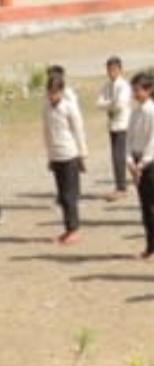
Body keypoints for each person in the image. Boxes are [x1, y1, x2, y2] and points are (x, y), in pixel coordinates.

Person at [125, 71, 154, 259]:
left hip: (151, 163)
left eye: (138, 90)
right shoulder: (135, 113)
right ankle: (150, 245)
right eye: (133, 90)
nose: (135, 94)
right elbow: (128, 139)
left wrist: (142, 163)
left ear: (148, 90)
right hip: (137, 162)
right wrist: (129, 161)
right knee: (145, 207)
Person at [41, 66, 86, 245]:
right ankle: (68, 229)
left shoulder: (68, 107)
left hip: (70, 153)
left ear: (61, 91)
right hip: (56, 155)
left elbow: (78, 130)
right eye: (49, 92)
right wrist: (50, 156)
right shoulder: (46, 107)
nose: (52, 96)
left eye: (55, 93)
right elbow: (46, 132)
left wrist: (82, 155)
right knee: (62, 195)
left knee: (70, 195)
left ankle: (74, 229)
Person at [98, 56, 131, 197]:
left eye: (114, 69)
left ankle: (122, 187)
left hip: (123, 123)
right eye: (109, 70)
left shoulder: (123, 85)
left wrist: (109, 104)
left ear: (120, 70)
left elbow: (120, 104)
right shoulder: (107, 86)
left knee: (120, 156)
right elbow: (99, 103)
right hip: (112, 124)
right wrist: (110, 103)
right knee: (116, 156)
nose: (111, 72)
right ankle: (120, 184)